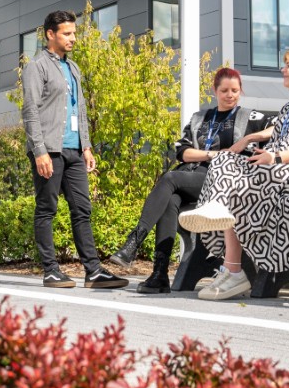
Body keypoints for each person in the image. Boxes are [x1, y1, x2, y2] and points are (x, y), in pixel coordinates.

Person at [178, 47, 289, 300]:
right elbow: (273, 141)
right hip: (274, 168)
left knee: (238, 187)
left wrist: (275, 157)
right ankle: (224, 237)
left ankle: (232, 267)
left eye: (288, 65)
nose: (282, 69)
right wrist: (261, 151)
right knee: (225, 159)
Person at [107, 68, 267, 294]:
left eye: (235, 90)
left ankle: (133, 243)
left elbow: (275, 128)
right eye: (224, 90)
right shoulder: (199, 118)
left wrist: (251, 137)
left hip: (226, 182)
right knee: (171, 200)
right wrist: (213, 154)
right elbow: (182, 152)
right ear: (215, 90)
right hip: (196, 178)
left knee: (170, 177)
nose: (230, 95)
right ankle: (160, 274)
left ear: (240, 91)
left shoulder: (252, 117)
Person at [21, 10, 128, 289]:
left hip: (74, 151)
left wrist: (87, 147)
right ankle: (51, 271)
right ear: (50, 35)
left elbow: (79, 110)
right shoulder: (37, 66)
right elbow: (30, 111)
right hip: (50, 150)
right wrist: (40, 150)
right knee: (47, 209)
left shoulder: (74, 68)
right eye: (67, 33)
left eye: (74, 33)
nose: (72, 38)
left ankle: (93, 271)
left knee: (82, 209)